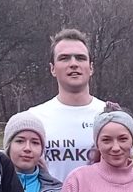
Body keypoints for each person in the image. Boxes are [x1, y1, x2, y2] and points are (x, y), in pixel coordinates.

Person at [21, 28, 110, 182]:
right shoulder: (33, 118)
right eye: (64, 58)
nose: (73, 64)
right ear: (52, 69)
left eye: (80, 58)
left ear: (91, 68)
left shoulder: (109, 115)